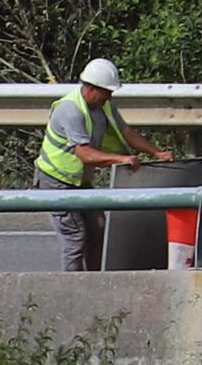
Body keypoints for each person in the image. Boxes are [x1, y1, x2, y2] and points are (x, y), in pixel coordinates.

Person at [37, 55, 146, 269]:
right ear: (92, 88)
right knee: (75, 237)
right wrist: (121, 159)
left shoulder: (104, 106)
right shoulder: (70, 110)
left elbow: (126, 132)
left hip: (78, 181)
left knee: (97, 228)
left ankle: (94, 281)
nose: (109, 97)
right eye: (107, 92)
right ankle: (75, 288)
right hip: (56, 181)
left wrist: (157, 153)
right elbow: (85, 154)